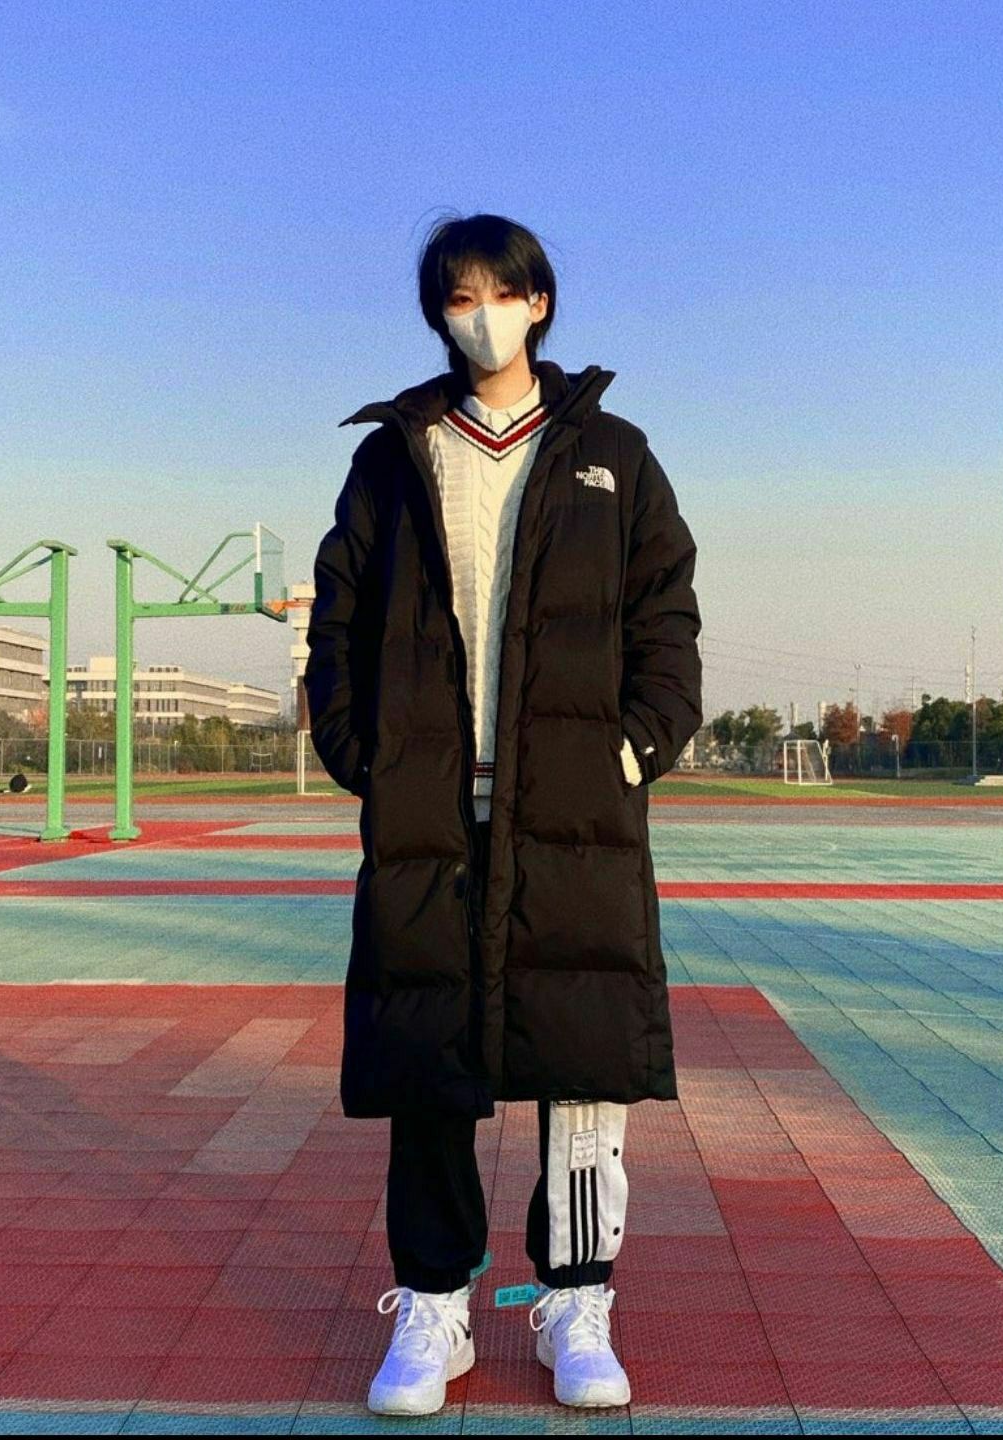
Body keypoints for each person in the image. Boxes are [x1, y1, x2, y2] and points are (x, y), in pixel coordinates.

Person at [304, 213, 703, 1416]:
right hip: (431, 813)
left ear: (541, 303)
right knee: (426, 1059)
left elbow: (666, 613)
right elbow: (338, 612)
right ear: (440, 314)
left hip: (572, 811)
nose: (481, 316)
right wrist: (361, 751)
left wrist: (636, 746)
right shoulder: (396, 456)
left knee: (582, 1065)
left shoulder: (613, 455)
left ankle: (579, 1303)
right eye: (458, 297)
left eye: (501, 292)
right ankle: (435, 1306)